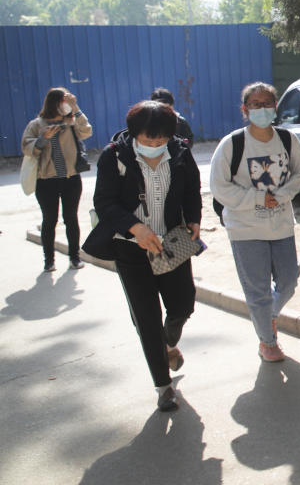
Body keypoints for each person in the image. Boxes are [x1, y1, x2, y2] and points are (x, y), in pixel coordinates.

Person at [83, 101, 201, 412]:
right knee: (146, 318)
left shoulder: (180, 152)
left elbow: (192, 190)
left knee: (183, 304)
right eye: (148, 141)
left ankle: (169, 342)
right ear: (136, 135)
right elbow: (105, 202)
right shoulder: (114, 156)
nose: (154, 146)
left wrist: (194, 219)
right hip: (131, 248)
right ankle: (163, 387)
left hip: (171, 243)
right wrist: (136, 229)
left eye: (160, 140)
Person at [210, 82, 300, 362]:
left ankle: (268, 316)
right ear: (245, 109)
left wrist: (282, 194)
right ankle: (268, 342)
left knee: (289, 281)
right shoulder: (233, 144)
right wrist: (257, 198)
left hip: (281, 226)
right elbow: (219, 187)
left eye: (267, 103)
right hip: (245, 229)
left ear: (275, 107)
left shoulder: (287, 140)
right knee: (258, 290)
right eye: (255, 104)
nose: (262, 108)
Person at [21, 87, 93, 272]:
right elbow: (27, 148)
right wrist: (42, 139)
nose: (67, 105)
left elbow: (86, 131)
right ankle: (49, 261)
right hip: (46, 181)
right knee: (49, 220)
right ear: (55, 103)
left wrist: (76, 107)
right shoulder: (37, 124)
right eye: (65, 101)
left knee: (71, 218)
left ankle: (75, 258)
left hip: (71, 179)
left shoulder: (71, 122)